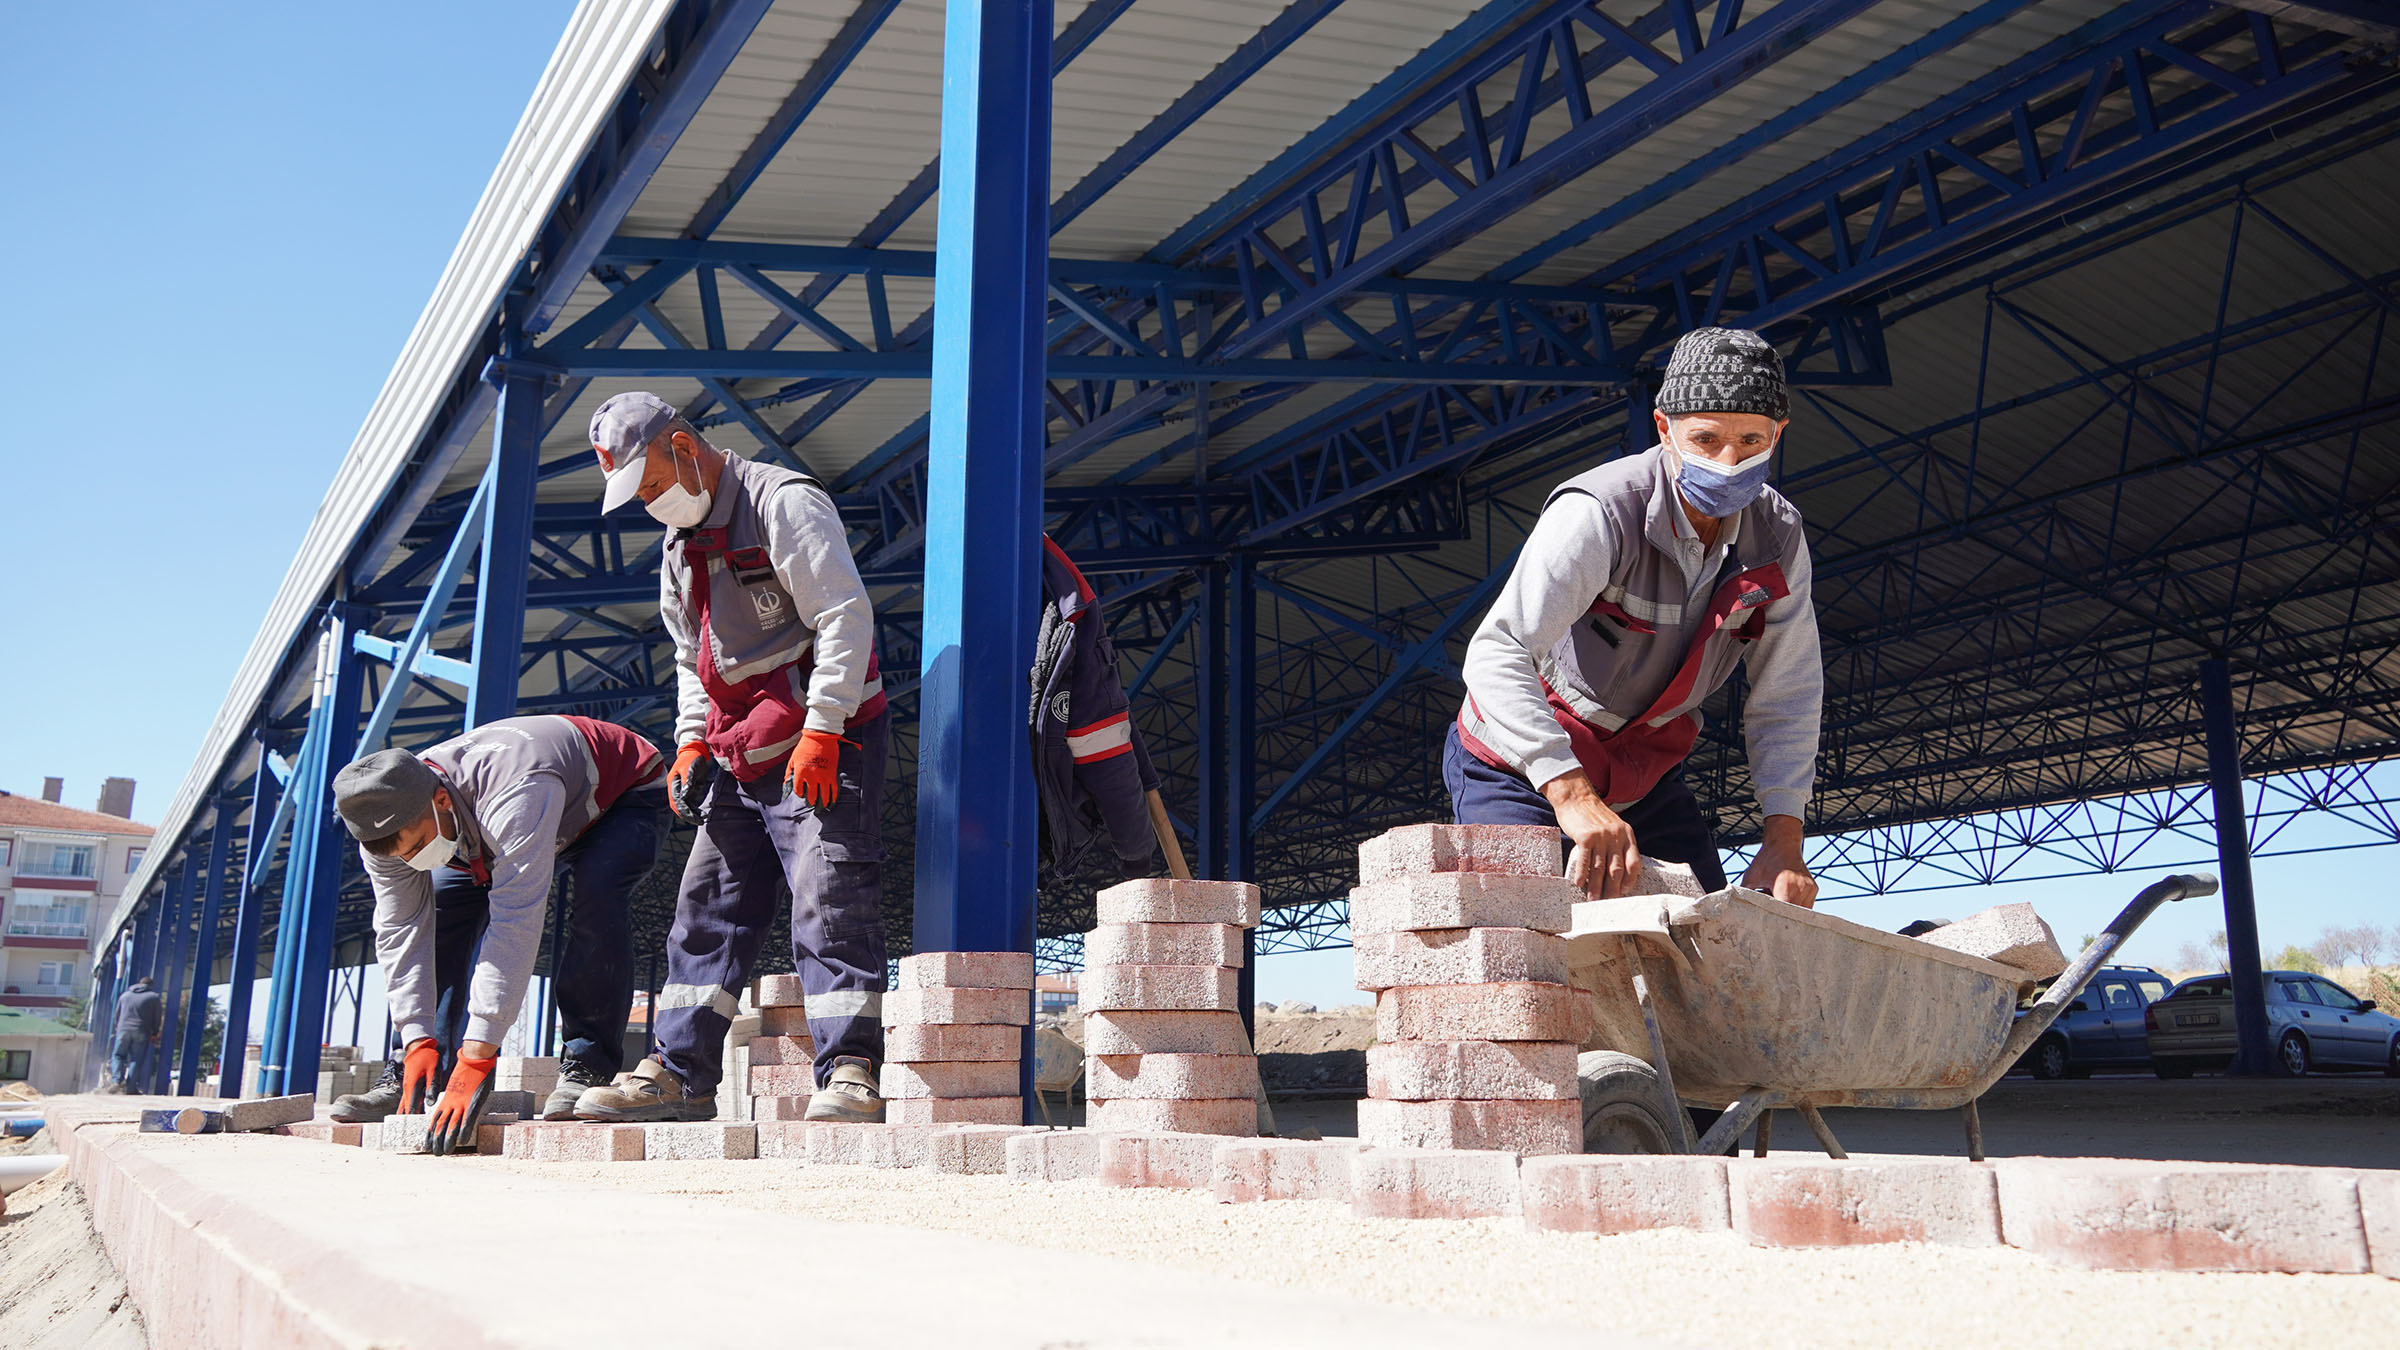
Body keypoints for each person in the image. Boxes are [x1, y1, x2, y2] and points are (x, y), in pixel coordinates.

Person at [573, 391, 890, 1124]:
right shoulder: (678, 548)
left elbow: (845, 614)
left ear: (684, 447)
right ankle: (679, 1074)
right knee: (706, 907)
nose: (651, 504)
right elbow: (692, 657)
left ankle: (850, 1070)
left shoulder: (782, 502)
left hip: (824, 732)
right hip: (744, 747)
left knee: (829, 895)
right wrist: (689, 740)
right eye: (639, 496)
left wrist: (824, 727)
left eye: (653, 484)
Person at [1451, 326, 1822, 906]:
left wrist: (1784, 837)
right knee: (1534, 942)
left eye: (1750, 440)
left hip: (1641, 771)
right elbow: (1497, 651)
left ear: (1779, 433)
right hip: (1521, 761)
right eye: (1705, 439)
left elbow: (1788, 691)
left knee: (1705, 944)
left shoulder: (1779, 536)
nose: (1728, 463)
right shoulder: (1600, 512)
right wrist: (1570, 795)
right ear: (1664, 429)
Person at [328, 716, 666, 1153]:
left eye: (416, 845)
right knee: (442, 916)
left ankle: (587, 1064)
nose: (412, 860)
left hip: (616, 797)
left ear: (442, 800)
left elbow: (515, 921)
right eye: (402, 854)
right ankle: (417, 1073)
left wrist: (479, 1052)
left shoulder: (517, 790)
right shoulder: (382, 825)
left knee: (597, 897)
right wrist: (416, 1037)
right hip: (483, 829)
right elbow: (400, 931)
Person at [1032, 535, 1161, 884]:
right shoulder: (1063, 602)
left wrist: (1137, 850)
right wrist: (1137, 855)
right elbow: (1106, 747)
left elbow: (1106, 734)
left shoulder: (1069, 617)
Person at [108, 976, 163, 1092]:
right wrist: (155, 1033)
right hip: (141, 1031)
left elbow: (116, 1015)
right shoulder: (153, 997)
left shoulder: (125, 995)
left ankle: (116, 1081)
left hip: (123, 1030)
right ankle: (130, 1088)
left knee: (118, 1056)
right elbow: (157, 1017)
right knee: (136, 1059)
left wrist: (118, 1029)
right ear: (150, 986)